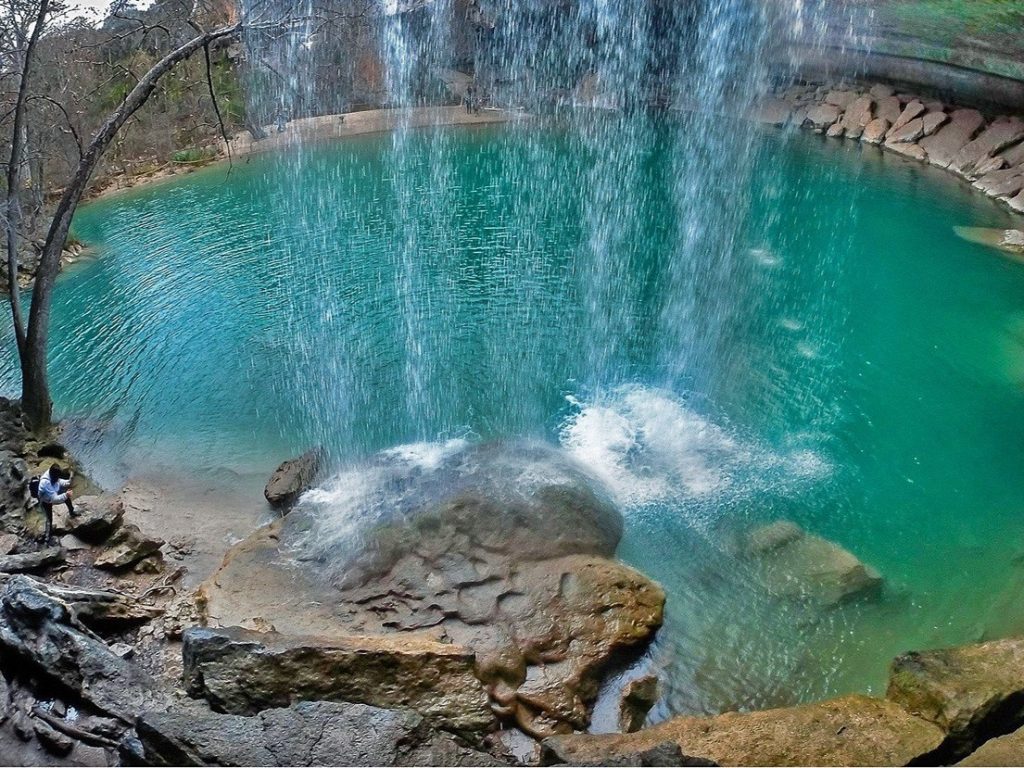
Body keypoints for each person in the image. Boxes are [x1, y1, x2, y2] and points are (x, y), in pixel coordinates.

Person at [38, 463, 75, 544]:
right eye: (57, 477)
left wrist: (71, 479)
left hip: (52, 493)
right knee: (49, 518)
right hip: (46, 500)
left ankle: (72, 512)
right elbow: (54, 499)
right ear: (53, 475)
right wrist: (66, 495)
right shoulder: (45, 483)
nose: (58, 478)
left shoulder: (53, 474)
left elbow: (62, 482)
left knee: (67, 498)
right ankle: (47, 539)